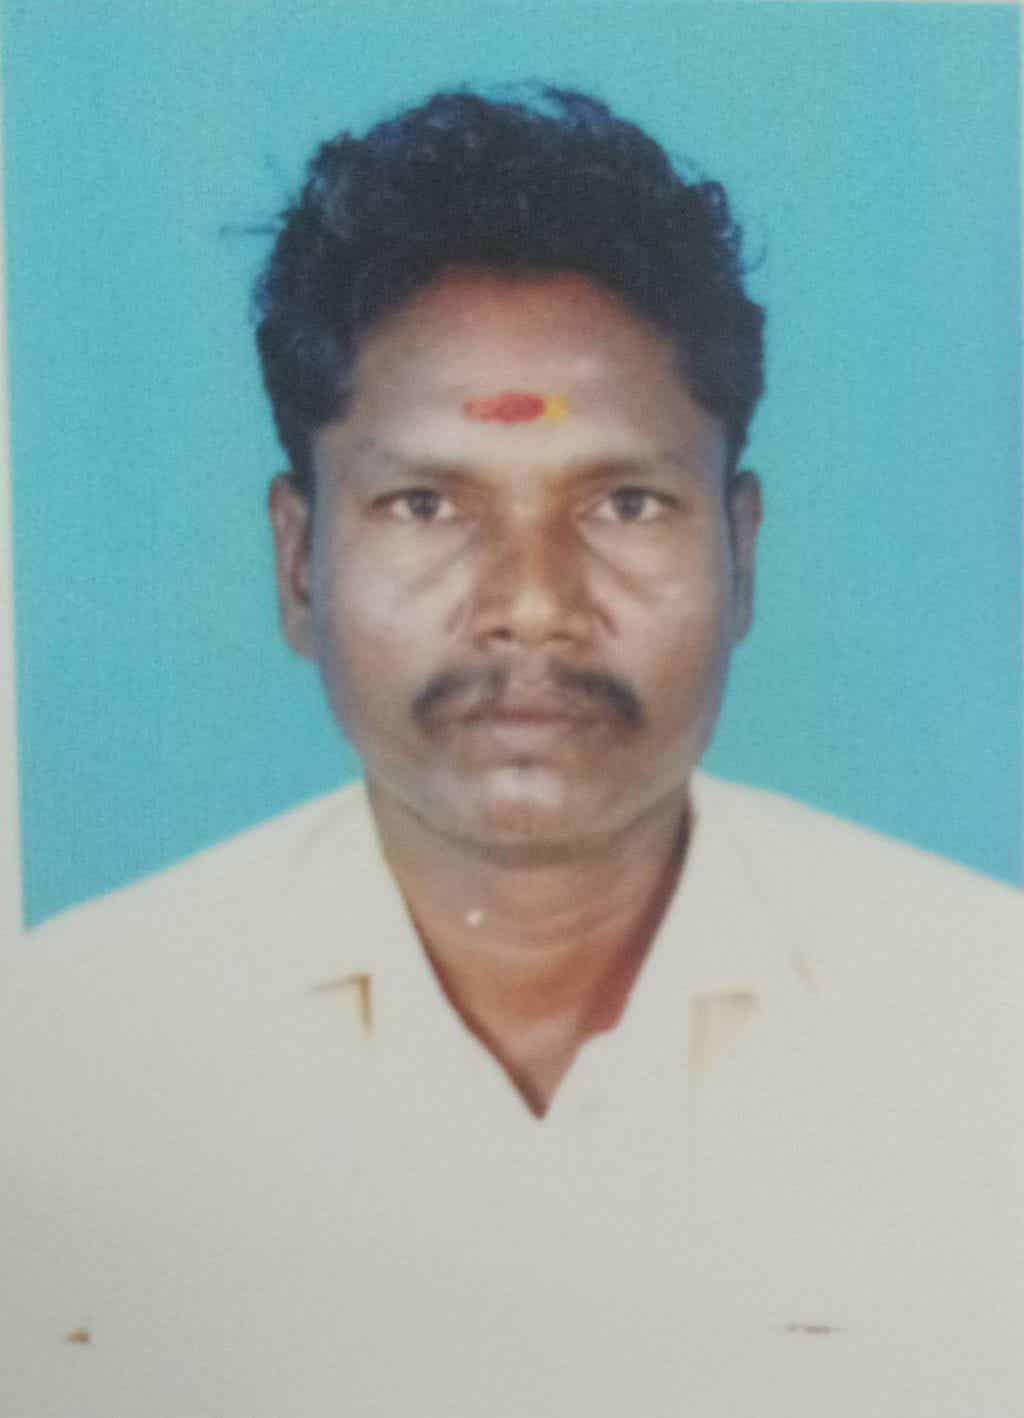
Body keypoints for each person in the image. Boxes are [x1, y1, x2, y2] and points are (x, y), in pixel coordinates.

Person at [2, 86, 1021, 1418]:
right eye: (425, 503)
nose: (533, 604)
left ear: (741, 552)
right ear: (300, 563)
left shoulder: (983, 1026)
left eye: (625, 502)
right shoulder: (69, 1052)